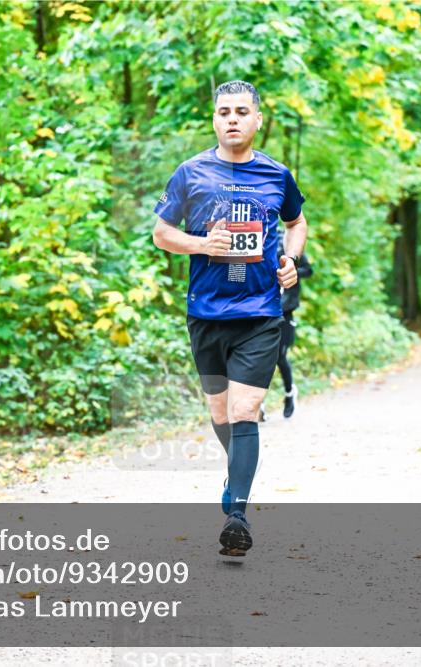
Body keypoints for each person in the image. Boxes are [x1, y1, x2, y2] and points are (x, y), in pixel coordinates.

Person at [151, 80, 307, 557]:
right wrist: (201, 245)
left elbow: (295, 222)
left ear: (258, 119)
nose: (232, 119)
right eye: (224, 112)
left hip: (260, 313)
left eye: (242, 111)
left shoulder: (277, 175)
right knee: (220, 413)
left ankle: (237, 513)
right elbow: (161, 233)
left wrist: (292, 261)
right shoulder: (191, 173)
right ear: (214, 120)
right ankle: (236, 470)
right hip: (206, 313)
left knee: (244, 412)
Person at [274, 230, 313, 418]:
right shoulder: (256, 242)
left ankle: (289, 393)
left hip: (286, 309)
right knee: (259, 360)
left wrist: (290, 271)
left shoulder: (289, 243)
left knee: (280, 356)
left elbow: (308, 270)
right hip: (263, 309)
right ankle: (257, 404)